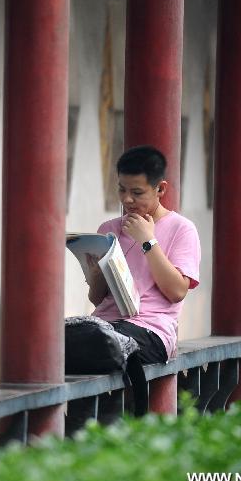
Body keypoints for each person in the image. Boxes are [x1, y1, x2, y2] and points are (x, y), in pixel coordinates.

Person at [88, 145, 202, 368]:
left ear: (160, 189)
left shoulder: (182, 229)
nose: (127, 200)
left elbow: (177, 292)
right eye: (122, 190)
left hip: (151, 330)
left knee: (102, 342)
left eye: (137, 193)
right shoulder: (109, 229)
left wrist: (148, 241)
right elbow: (97, 298)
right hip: (105, 324)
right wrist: (95, 272)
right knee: (55, 339)